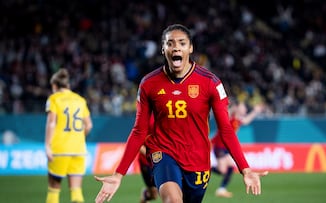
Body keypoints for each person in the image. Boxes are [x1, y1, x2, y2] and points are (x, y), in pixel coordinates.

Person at [94, 23, 268, 203]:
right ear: (163, 49)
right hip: (163, 153)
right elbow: (139, 131)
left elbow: (226, 129)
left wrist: (245, 169)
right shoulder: (148, 84)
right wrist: (118, 174)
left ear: (190, 48)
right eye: (170, 43)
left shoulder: (210, 83)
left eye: (182, 43)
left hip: (197, 158)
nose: (176, 47)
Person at [45, 68, 93, 203]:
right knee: (76, 191)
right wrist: (78, 138)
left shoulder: (54, 99)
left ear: (54, 86)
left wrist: (47, 145)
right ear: (68, 85)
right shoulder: (80, 100)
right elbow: (89, 125)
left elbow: (51, 123)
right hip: (78, 150)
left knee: (54, 189)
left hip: (59, 149)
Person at [211, 101, 264, 198]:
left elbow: (246, 120)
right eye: (243, 107)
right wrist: (232, 108)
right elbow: (226, 112)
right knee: (222, 171)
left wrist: (255, 112)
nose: (245, 109)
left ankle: (222, 189)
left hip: (227, 147)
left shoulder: (238, 120)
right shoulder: (230, 116)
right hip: (219, 146)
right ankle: (207, 168)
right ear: (237, 107)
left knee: (231, 166)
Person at [138, 114, 158, 203]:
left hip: (162, 160)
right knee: (154, 194)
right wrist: (151, 155)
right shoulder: (146, 119)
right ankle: (145, 195)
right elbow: (138, 143)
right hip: (146, 162)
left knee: (168, 189)